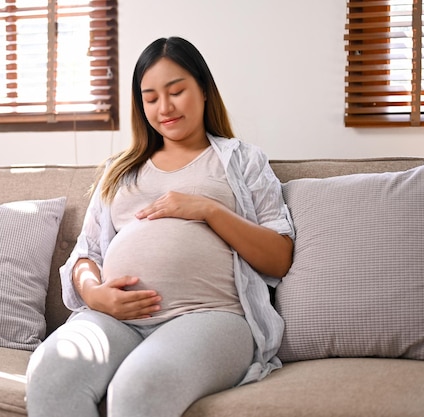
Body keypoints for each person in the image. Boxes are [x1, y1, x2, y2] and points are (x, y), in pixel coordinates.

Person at [25, 36, 295, 417]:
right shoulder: (119, 171)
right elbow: (86, 255)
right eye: (150, 98)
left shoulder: (241, 160)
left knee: (139, 388)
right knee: (49, 376)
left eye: (176, 91)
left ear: (202, 89)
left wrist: (208, 210)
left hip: (208, 315)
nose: (164, 107)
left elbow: (279, 257)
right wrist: (94, 294)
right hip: (114, 319)